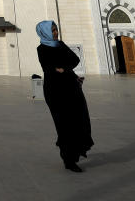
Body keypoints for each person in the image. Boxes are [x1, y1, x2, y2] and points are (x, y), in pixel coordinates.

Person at [36, 20, 94, 173]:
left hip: (72, 86)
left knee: (79, 119)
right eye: (53, 30)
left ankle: (75, 152)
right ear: (45, 32)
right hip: (55, 90)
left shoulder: (60, 44)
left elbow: (75, 59)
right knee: (64, 123)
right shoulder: (42, 48)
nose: (56, 32)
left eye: (56, 29)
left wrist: (63, 68)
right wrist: (61, 67)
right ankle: (69, 159)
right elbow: (48, 68)